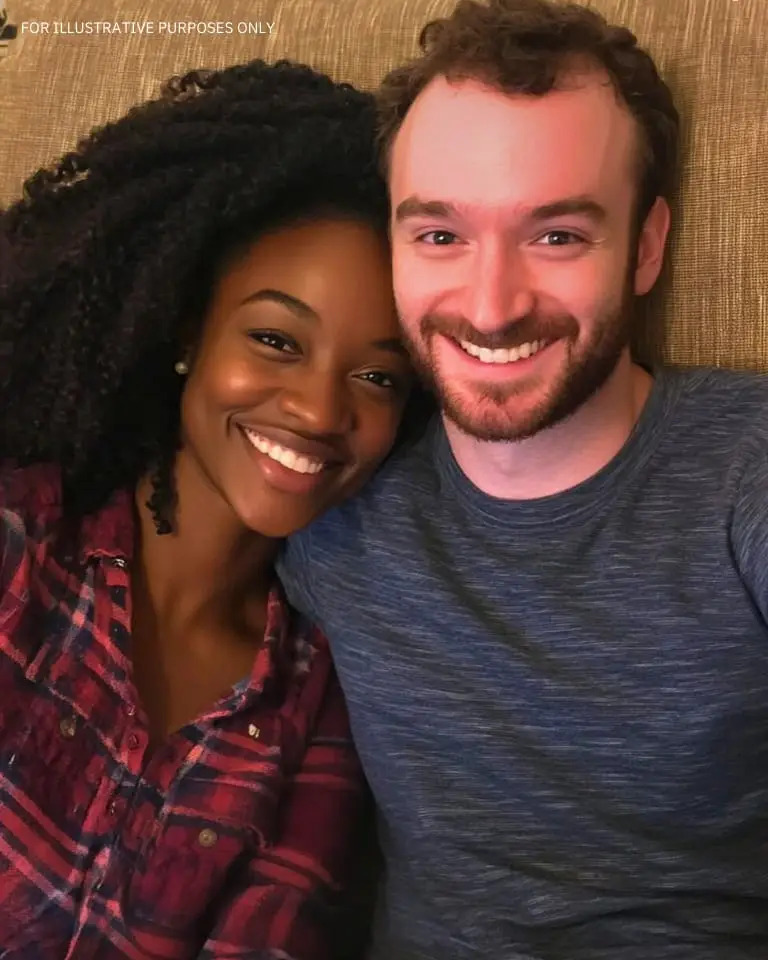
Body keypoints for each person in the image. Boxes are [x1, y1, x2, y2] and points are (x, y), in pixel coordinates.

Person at [278, 1, 768, 958]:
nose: (492, 307)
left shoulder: (745, 470)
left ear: (647, 247)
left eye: (557, 236)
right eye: (440, 236)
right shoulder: (332, 497)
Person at [0, 59, 418, 958]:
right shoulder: (20, 542)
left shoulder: (321, 704)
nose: (319, 410)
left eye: (378, 377)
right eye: (274, 339)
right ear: (188, 326)